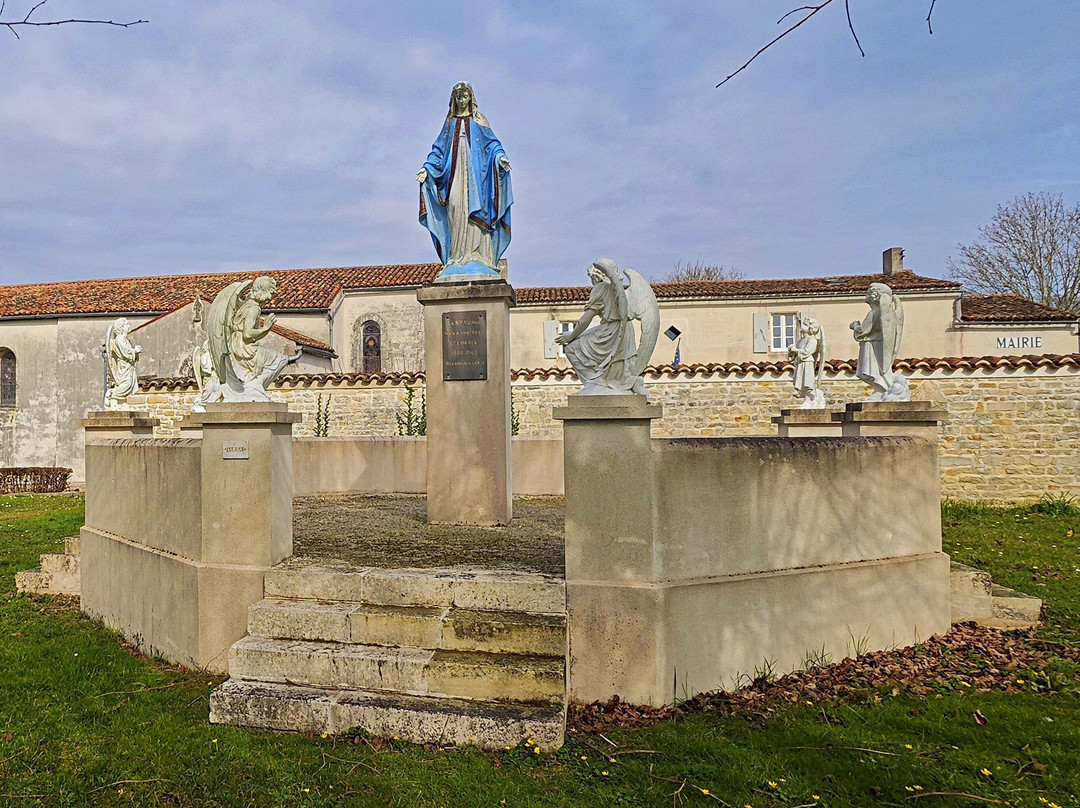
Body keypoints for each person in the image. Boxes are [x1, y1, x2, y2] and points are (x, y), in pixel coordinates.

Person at [418, 82, 513, 281]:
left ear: (471, 98)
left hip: (478, 182)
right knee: (455, 208)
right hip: (454, 177)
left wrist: (500, 158)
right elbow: (439, 150)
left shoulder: (480, 121)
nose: (462, 101)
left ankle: (478, 257)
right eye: (458, 97)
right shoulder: (450, 124)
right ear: (453, 100)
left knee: (475, 214)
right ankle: (455, 257)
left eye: (465, 97)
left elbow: (493, 145)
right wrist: (427, 169)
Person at [556, 258, 658, 396]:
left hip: (611, 331)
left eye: (591, 277)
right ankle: (630, 380)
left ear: (597, 275)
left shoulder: (601, 288)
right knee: (619, 362)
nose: (591, 280)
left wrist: (571, 335)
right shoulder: (627, 292)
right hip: (626, 330)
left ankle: (594, 383)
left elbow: (585, 320)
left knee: (571, 348)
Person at [206, 276, 300, 402]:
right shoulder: (254, 308)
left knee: (277, 360)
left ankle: (253, 386)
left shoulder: (246, 304)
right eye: (271, 293)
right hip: (243, 348)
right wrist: (266, 328)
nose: (271, 297)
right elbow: (247, 334)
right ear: (265, 292)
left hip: (237, 345)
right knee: (279, 360)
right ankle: (254, 386)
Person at [850, 282, 908, 401]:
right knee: (877, 369)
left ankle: (880, 389)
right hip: (875, 344)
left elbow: (862, 331)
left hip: (873, 346)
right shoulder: (883, 312)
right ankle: (880, 390)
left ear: (875, 296)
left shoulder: (874, 313)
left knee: (875, 369)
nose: (866, 294)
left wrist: (855, 326)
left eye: (868, 292)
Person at [788, 315, 826, 409]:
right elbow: (794, 356)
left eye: (804, 324)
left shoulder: (812, 340)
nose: (801, 326)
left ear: (810, 328)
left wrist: (796, 350)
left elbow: (807, 352)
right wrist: (791, 352)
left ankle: (809, 400)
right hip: (800, 363)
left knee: (807, 382)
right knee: (800, 381)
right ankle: (806, 400)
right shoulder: (801, 341)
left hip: (807, 363)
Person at [104, 318, 141, 409]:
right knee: (126, 384)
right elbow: (126, 353)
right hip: (124, 366)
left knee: (129, 384)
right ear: (121, 327)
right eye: (127, 324)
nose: (129, 326)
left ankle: (122, 403)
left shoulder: (125, 340)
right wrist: (134, 351)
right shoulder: (119, 339)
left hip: (128, 366)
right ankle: (112, 395)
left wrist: (135, 352)